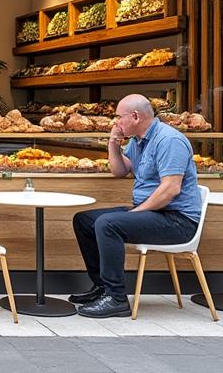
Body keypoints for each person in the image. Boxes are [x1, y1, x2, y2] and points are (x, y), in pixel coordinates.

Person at [70, 93, 202, 318]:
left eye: (119, 117)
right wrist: (113, 143)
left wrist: (137, 213)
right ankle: (102, 287)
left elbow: (171, 189)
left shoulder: (169, 140)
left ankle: (116, 298)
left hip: (177, 220)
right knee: (84, 220)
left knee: (108, 224)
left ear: (135, 116)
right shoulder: (139, 141)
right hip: (154, 213)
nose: (116, 122)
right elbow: (120, 171)